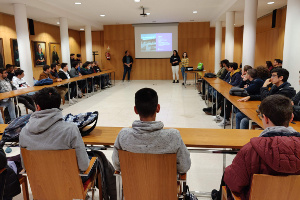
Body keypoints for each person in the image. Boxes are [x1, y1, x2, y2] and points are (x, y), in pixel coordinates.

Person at [212, 95, 300, 200]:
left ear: (265, 118)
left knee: (228, 174)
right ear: (291, 118)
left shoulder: (251, 150)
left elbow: (234, 184)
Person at [112, 88, 191, 173]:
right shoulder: (173, 136)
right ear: (158, 108)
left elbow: (117, 165)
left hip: (133, 185)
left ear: (135, 110)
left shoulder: (123, 135)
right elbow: (184, 167)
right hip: (165, 185)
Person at [19, 87, 90, 172]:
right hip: (69, 183)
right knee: (98, 158)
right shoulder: (70, 129)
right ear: (58, 105)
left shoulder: (24, 132)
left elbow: (25, 166)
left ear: (37, 107)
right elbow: (84, 166)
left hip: (39, 183)